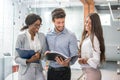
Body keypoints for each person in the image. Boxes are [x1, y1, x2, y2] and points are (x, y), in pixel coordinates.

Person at [46, 8, 78, 80]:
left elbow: (74, 55)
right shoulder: (48, 35)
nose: (61, 25)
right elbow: (46, 52)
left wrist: (66, 63)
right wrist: (46, 54)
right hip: (51, 71)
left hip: (64, 72)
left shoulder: (71, 35)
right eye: (58, 22)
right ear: (53, 21)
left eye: (63, 22)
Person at [15, 13, 47, 80]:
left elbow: (45, 54)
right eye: (36, 25)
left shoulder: (42, 36)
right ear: (29, 24)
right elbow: (16, 58)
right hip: (25, 71)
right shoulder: (21, 37)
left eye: (39, 25)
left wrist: (40, 56)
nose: (38, 27)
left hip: (39, 70)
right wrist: (29, 60)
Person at [78, 13, 105, 80]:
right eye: (86, 22)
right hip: (86, 72)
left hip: (92, 74)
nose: (87, 24)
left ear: (95, 25)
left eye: (90, 23)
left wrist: (85, 60)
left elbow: (96, 59)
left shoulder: (94, 38)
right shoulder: (86, 36)